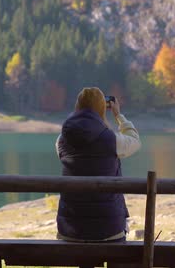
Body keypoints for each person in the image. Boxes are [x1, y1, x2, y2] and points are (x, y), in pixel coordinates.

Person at [55, 87, 141, 242]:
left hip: (70, 229)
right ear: (103, 108)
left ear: (77, 106)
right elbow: (135, 141)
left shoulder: (62, 139)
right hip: (108, 229)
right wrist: (118, 116)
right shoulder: (111, 140)